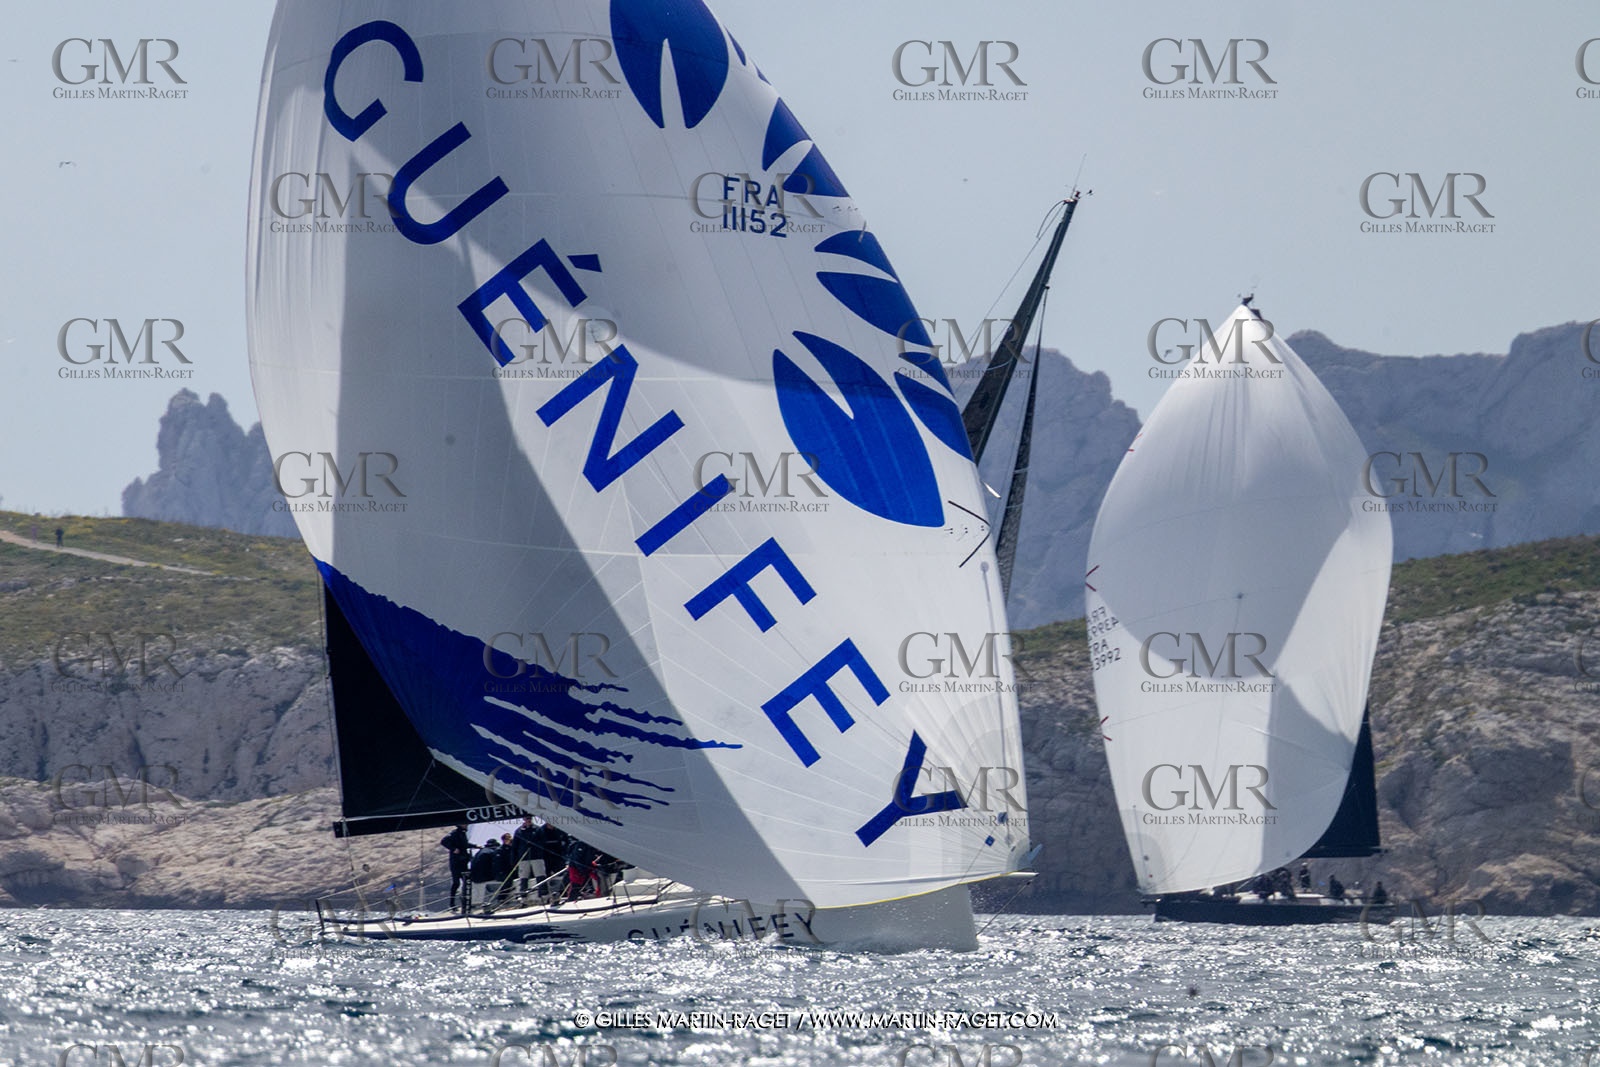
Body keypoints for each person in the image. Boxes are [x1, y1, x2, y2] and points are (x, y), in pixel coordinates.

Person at [440, 822, 472, 911]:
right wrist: (453, 849)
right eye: (464, 824)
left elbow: (465, 845)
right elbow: (443, 841)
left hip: (463, 862)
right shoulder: (454, 833)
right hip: (456, 863)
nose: (466, 825)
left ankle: (466, 902)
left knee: (466, 882)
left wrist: (476, 846)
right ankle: (452, 904)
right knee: (456, 883)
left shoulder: (463, 834)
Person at [560, 837, 599, 903]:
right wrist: (581, 870)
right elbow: (577, 859)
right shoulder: (581, 844)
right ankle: (571, 900)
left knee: (598, 877)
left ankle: (599, 894)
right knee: (576, 884)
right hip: (576, 867)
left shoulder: (592, 845)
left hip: (586, 865)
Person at [512, 816, 541, 899]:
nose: (528, 820)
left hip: (536, 856)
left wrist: (535, 845)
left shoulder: (537, 829)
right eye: (527, 819)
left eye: (530, 818)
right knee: (524, 877)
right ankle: (523, 897)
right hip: (524, 858)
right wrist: (514, 860)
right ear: (524, 819)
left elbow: (542, 841)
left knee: (540, 875)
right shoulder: (519, 831)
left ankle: (543, 895)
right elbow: (515, 847)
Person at [468, 839, 500, 913]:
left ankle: (475, 903)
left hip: (474, 877)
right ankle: (497, 900)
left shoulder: (480, 852)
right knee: (502, 881)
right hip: (484, 877)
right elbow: (495, 866)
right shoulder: (492, 852)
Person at [496, 833, 517, 904]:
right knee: (508, 882)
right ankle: (501, 898)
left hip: (513, 868)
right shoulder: (501, 850)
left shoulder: (512, 848)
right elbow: (499, 862)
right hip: (504, 870)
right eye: (508, 839)